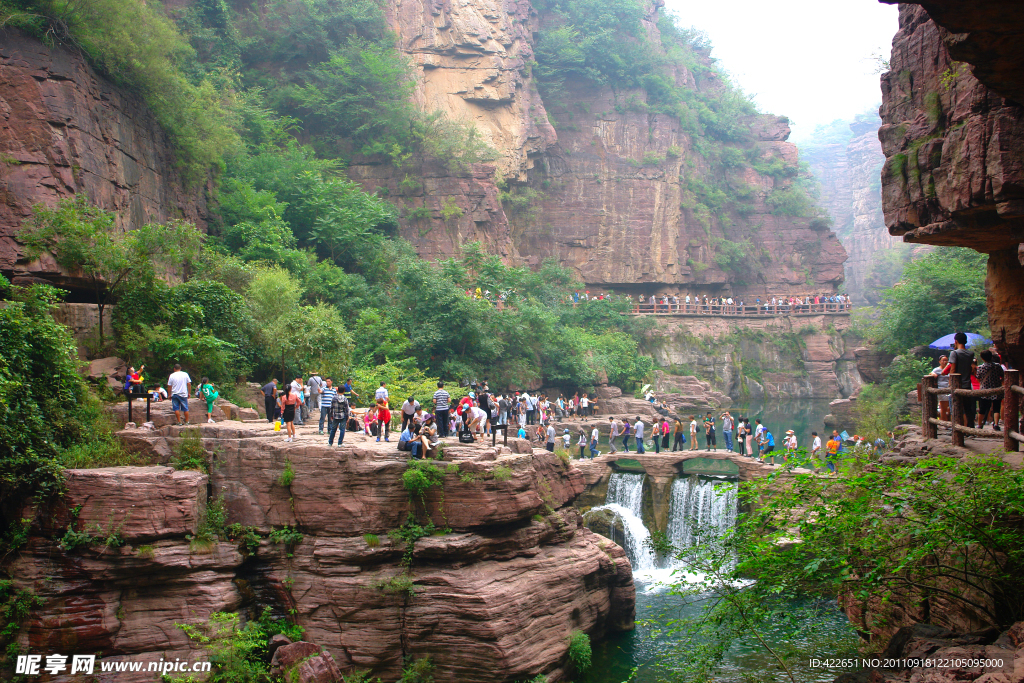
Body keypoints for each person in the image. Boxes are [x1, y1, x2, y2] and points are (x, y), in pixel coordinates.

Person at [942, 332, 977, 429]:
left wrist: (950, 383)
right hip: (967, 384)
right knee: (968, 408)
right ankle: (970, 428)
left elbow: (952, 369)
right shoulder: (970, 354)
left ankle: (957, 428)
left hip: (957, 384)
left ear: (956, 341)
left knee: (956, 408)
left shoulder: (954, 353)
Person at [977, 349, 1004, 429]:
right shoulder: (997, 366)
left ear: (982, 358)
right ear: (991, 357)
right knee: (996, 407)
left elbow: (978, 378)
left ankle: (979, 424)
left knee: (982, 408)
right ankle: (996, 424)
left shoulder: (981, 367)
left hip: (985, 391)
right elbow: (1002, 376)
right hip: (996, 389)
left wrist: (982, 383)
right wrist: (999, 382)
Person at [930, 356, 951, 423]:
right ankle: (944, 423)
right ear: (939, 362)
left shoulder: (950, 369)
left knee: (950, 408)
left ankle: (949, 422)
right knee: (943, 408)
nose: (945, 362)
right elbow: (931, 373)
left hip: (950, 389)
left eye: (946, 360)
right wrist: (933, 374)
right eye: (943, 360)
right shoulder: (937, 369)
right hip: (942, 389)